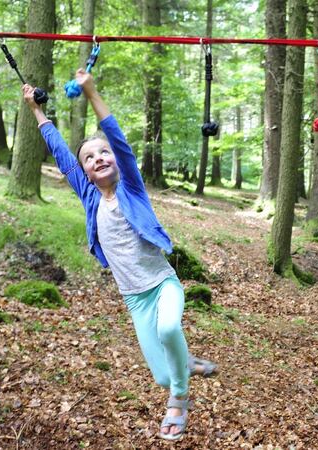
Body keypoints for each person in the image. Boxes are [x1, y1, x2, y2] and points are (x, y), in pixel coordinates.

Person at [21, 70, 217, 441]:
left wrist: (91, 91)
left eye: (103, 152)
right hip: (134, 300)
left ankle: (179, 399)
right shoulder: (90, 196)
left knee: (170, 328)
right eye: (89, 158)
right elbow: (61, 152)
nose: (98, 158)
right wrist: (36, 110)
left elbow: (117, 138)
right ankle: (183, 366)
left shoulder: (132, 187)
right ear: (85, 174)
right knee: (161, 373)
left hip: (162, 285)